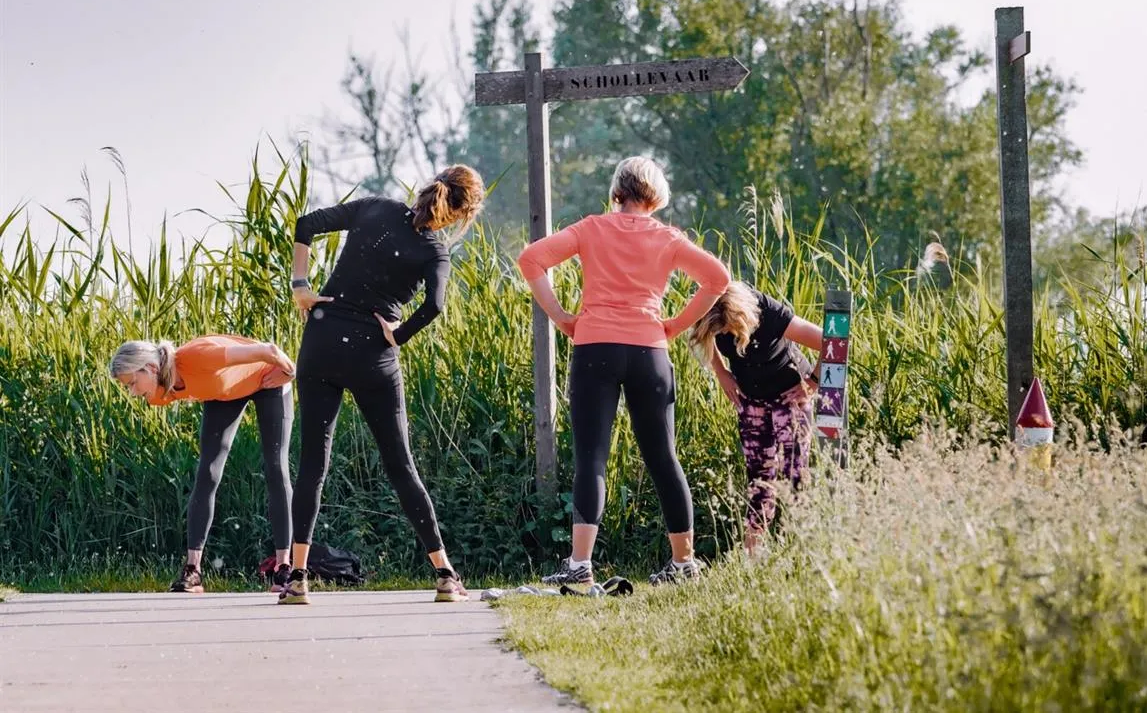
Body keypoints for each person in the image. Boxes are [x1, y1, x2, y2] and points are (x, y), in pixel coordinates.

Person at [517, 156, 730, 586]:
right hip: (649, 350)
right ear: (657, 196)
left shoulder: (591, 228)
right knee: (663, 457)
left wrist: (560, 316)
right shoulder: (668, 238)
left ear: (617, 192)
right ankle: (684, 564)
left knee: (592, 457)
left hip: (595, 346)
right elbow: (718, 278)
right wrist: (674, 325)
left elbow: (531, 260)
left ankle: (579, 567)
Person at [281, 165, 485, 605]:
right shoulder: (435, 249)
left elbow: (305, 224)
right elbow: (435, 306)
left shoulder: (375, 207)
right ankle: (445, 575)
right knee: (401, 466)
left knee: (313, 463)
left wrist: (301, 284)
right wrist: (399, 332)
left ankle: (297, 578)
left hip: (321, 340)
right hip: (372, 353)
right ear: (461, 212)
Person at [109, 336, 297, 593]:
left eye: (132, 383)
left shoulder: (197, 357)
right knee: (208, 471)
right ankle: (193, 570)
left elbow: (269, 350)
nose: (132, 392)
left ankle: (284, 567)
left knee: (275, 466)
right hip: (224, 391)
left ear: (151, 369)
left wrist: (288, 372)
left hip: (268, 377)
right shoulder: (159, 392)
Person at [688, 281, 823, 554]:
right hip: (751, 399)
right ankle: (752, 557)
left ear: (741, 317)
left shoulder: (768, 312)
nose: (724, 335)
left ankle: (801, 552)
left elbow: (830, 341)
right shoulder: (710, 308)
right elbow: (703, 336)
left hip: (789, 397)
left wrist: (813, 382)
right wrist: (721, 372)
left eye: (727, 329)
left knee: (794, 476)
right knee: (759, 481)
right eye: (719, 331)